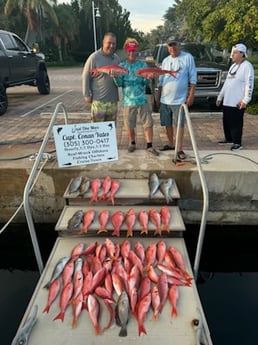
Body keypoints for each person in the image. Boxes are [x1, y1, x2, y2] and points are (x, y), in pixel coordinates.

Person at [114, 38, 159, 156]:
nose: (131, 53)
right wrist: (115, 76)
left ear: (137, 50)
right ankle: (132, 143)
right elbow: (120, 84)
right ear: (126, 51)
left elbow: (144, 83)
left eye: (133, 51)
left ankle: (149, 145)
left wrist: (148, 78)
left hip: (142, 99)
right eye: (129, 51)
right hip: (128, 100)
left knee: (148, 122)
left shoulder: (142, 64)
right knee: (129, 124)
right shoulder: (122, 65)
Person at [157, 35, 197, 160]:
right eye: (170, 45)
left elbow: (193, 78)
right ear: (167, 47)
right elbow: (161, 81)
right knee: (167, 123)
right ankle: (170, 143)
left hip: (179, 100)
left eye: (174, 44)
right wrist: (158, 97)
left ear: (179, 45)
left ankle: (179, 148)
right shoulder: (165, 61)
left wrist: (191, 95)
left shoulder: (187, 58)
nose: (172, 47)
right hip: (165, 99)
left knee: (179, 124)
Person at [216, 43, 254, 151]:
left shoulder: (247, 66)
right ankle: (229, 139)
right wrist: (220, 96)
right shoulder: (233, 66)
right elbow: (227, 83)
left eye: (235, 53)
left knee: (236, 123)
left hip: (237, 101)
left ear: (242, 54)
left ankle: (237, 142)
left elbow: (249, 84)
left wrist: (246, 99)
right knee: (227, 121)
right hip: (227, 100)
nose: (232, 55)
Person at [82, 32, 119, 123]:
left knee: (110, 131)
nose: (111, 46)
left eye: (113, 43)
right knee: (97, 130)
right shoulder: (94, 57)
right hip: (98, 101)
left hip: (113, 101)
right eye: (109, 43)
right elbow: (85, 76)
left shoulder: (116, 58)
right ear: (103, 42)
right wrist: (86, 95)